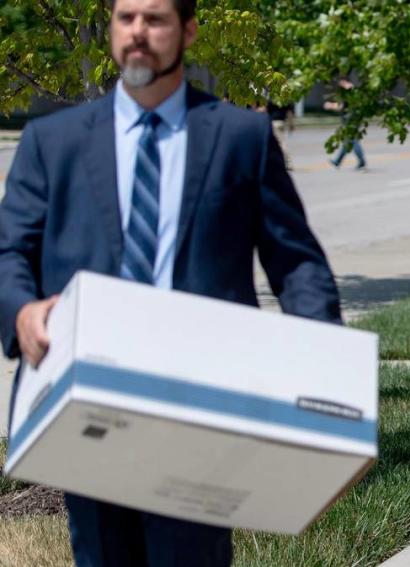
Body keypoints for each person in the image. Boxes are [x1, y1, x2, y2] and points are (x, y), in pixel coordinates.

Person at [0, 0, 341, 565]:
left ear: (187, 31)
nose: (137, 32)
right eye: (125, 18)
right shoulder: (52, 142)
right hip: (90, 399)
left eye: (154, 19)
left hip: (200, 403)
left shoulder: (241, 137)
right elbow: (10, 251)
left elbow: (296, 262)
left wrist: (324, 367)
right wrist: (20, 311)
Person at [325, 79, 367, 170]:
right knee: (347, 142)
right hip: (352, 119)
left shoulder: (350, 93)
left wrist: (330, 105)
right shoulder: (351, 94)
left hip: (350, 120)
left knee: (353, 140)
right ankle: (338, 161)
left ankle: (362, 161)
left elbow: (341, 106)